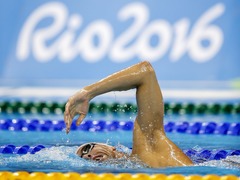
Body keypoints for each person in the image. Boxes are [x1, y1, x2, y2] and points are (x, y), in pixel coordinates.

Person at [64, 61, 193, 168]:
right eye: (83, 158)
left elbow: (146, 72)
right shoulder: (134, 168)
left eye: (87, 149)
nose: (86, 156)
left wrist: (88, 92)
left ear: (111, 147)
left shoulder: (148, 148)